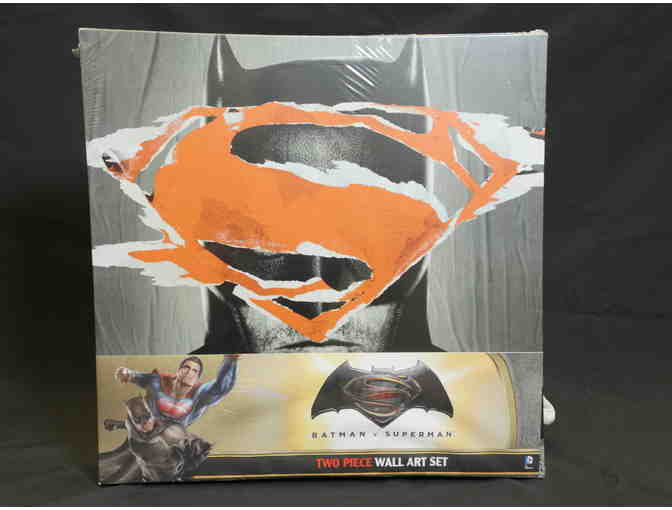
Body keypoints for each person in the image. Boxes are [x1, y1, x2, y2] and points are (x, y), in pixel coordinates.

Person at [114, 354, 238, 427]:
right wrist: (125, 373)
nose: (189, 372)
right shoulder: (158, 381)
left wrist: (230, 361)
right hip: (147, 427)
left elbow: (220, 387)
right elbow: (136, 376)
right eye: (186, 367)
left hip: (174, 436)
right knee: (134, 403)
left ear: (197, 378)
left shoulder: (199, 393)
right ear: (178, 371)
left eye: (195, 371)